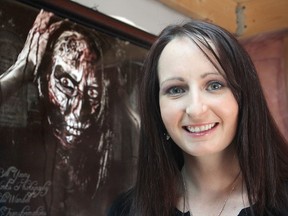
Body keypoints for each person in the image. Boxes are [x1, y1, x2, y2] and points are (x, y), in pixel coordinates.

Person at [108, 20, 288, 215]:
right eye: (176, 89)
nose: (195, 109)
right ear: (156, 107)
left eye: (214, 85)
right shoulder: (125, 210)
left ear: (245, 96)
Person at [0, 10, 113, 215]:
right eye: (66, 84)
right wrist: (19, 72)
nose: (80, 111)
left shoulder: (106, 162)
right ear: (43, 79)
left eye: (93, 92)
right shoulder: (13, 144)